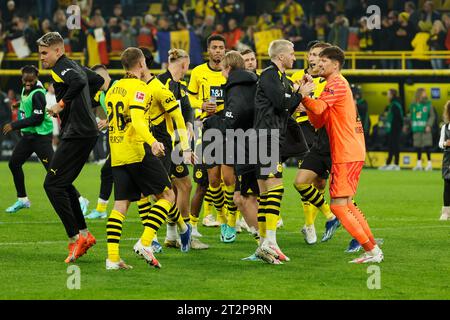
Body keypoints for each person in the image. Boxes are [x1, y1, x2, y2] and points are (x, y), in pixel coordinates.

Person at [104, 47, 191, 270]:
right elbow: (138, 120)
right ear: (141, 64)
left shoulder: (114, 89)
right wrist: (152, 142)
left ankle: (112, 258)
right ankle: (146, 242)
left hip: (117, 151)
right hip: (138, 150)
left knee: (121, 204)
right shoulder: (140, 88)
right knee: (168, 195)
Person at [300, 46, 384, 264]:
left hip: (346, 151)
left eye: (324, 61)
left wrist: (303, 97)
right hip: (350, 149)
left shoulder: (336, 82)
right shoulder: (334, 85)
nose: (319, 63)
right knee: (347, 204)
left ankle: (372, 251)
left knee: (338, 206)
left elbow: (317, 110)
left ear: (335, 65)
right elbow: (318, 120)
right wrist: (308, 100)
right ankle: (372, 249)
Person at [37, 32, 104, 263]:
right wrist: (87, 104)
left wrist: (62, 104)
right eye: (40, 53)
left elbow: (80, 82)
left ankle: (75, 238)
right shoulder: (72, 65)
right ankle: (85, 235)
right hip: (82, 132)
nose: (42, 58)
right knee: (62, 184)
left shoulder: (62, 67)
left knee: (52, 185)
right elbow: (96, 80)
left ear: (58, 50)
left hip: (77, 133)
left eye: (45, 53)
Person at [253, 39, 303, 264]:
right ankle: (270, 241)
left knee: (265, 193)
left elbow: (286, 106)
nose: (294, 57)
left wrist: (296, 94)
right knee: (276, 189)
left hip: (270, 137)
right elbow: (282, 103)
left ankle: (264, 243)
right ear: (281, 56)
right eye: (292, 54)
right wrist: (300, 94)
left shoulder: (281, 77)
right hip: (266, 137)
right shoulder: (269, 75)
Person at [157, 48, 208, 250]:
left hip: (173, 143)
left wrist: (187, 124)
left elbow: (186, 109)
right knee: (176, 187)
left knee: (177, 187)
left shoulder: (180, 86)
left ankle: (172, 235)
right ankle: (182, 234)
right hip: (164, 143)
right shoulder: (163, 83)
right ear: (185, 65)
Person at [291, 41, 340, 245]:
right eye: (312, 54)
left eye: (320, 55)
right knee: (304, 179)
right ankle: (311, 226)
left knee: (320, 183)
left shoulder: (329, 81)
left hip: (323, 133)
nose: (315, 58)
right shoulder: (296, 77)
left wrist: (309, 104)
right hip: (301, 131)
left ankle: (310, 222)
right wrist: (297, 105)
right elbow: (287, 105)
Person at [188, 34, 228, 240]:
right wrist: (201, 105)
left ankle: (226, 219)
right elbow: (189, 96)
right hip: (207, 128)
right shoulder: (198, 72)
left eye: (221, 47)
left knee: (227, 178)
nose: (218, 51)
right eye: (215, 47)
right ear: (208, 50)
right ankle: (195, 224)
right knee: (205, 180)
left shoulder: (230, 71)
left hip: (228, 128)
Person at [220, 50, 260, 251]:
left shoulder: (236, 87)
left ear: (228, 68)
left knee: (243, 198)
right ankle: (265, 243)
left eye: (222, 69)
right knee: (249, 197)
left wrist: (224, 122)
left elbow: (236, 114)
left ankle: (265, 244)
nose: (221, 73)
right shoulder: (253, 81)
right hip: (255, 143)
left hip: (246, 145)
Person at [2, 66, 53, 213]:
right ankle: (23, 200)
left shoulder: (38, 93)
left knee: (54, 172)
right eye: (25, 80)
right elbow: (28, 101)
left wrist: (14, 125)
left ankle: (80, 200)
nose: (28, 82)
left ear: (36, 77)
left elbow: (37, 119)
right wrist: (19, 104)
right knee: (14, 164)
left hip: (40, 137)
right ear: (22, 78)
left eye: (31, 80)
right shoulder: (26, 88)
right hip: (29, 136)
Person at [85, 64, 116, 220]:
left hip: (130, 141)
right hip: (116, 139)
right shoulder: (102, 94)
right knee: (108, 172)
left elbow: (129, 113)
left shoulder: (118, 88)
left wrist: (108, 122)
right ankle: (100, 209)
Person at [410, 88, 435, 171]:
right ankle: (419, 164)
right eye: (424, 93)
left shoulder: (428, 104)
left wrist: (429, 125)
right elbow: (411, 116)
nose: (425, 94)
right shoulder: (413, 105)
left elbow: (432, 116)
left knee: (427, 146)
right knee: (418, 147)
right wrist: (409, 125)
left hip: (425, 129)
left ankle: (429, 164)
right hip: (416, 128)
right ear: (419, 94)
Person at [379, 89, 404, 171]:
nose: (387, 96)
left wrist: (396, 128)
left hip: (395, 129)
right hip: (392, 129)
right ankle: (388, 163)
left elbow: (398, 118)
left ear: (392, 95)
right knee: (391, 146)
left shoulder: (395, 105)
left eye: (388, 94)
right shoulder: (392, 104)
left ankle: (396, 164)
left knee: (395, 146)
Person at [439, 101, 450, 221]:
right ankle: (446, 212)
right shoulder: (445, 127)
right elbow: (440, 143)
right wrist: (445, 143)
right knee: (447, 184)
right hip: (448, 159)